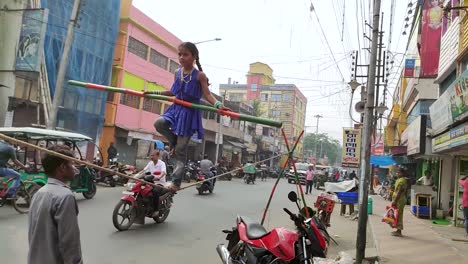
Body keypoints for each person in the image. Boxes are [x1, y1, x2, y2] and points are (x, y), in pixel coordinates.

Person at [146, 42, 230, 192]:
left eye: (185, 54)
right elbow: (172, 92)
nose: (181, 57)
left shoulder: (200, 76)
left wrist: (218, 105)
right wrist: (153, 93)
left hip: (190, 114)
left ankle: (176, 182)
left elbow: (208, 95)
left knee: (180, 152)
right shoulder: (177, 72)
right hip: (176, 109)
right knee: (159, 123)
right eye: (179, 54)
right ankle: (173, 140)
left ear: (194, 57)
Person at [28, 145, 82, 264]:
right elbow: (69, 243)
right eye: (72, 164)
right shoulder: (65, 196)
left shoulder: (39, 193)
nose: (75, 169)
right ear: (62, 167)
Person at [143, 150, 167, 217]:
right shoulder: (150, 163)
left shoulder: (162, 163)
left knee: (155, 191)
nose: (151, 157)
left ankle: (156, 210)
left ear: (157, 156)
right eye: (151, 155)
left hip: (159, 183)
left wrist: (159, 176)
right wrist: (136, 175)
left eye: (153, 155)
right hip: (151, 182)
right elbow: (144, 170)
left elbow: (163, 172)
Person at [391, 167, 408, 237]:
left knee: (399, 215)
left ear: (402, 173)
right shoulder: (400, 180)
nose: (397, 173)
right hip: (399, 200)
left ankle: (399, 231)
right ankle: (397, 230)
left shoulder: (402, 181)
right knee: (397, 214)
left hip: (399, 200)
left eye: (399, 172)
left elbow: (399, 192)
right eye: (397, 172)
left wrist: (395, 201)